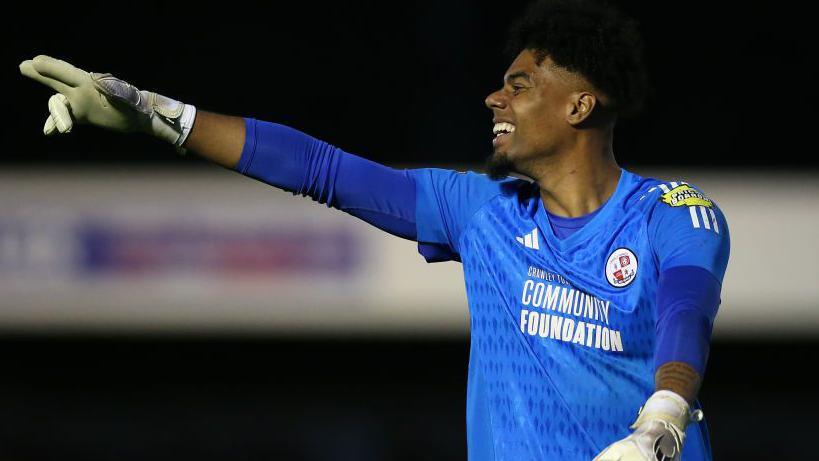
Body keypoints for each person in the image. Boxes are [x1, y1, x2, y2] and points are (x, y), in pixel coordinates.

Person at [19, 0, 729, 459]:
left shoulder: (670, 211)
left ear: (579, 105)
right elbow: (320, 167)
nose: (494, 95)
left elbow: (685, 312)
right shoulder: (479, 210)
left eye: (519, 83)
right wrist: (153, 111)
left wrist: (658, 426)